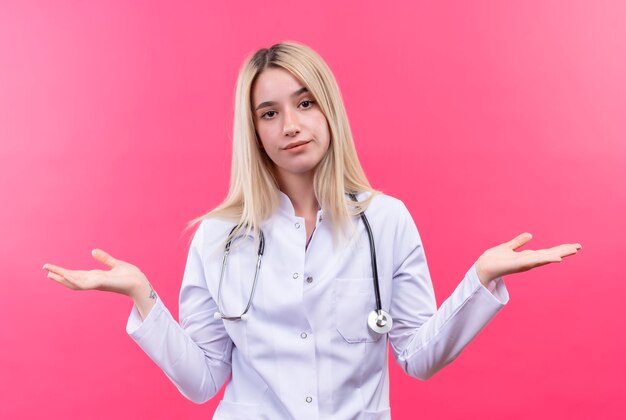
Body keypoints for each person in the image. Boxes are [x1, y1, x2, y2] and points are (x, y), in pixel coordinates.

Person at [43, 41, 581, 419]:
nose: (291, 125)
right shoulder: (217, 236)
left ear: (329, 110)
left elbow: (418, 357)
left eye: (304, 103)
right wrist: (141, 296)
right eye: (269, 113)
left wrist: (480, 279)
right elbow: (203, 381)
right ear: (252, 131)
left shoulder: (386, 221)